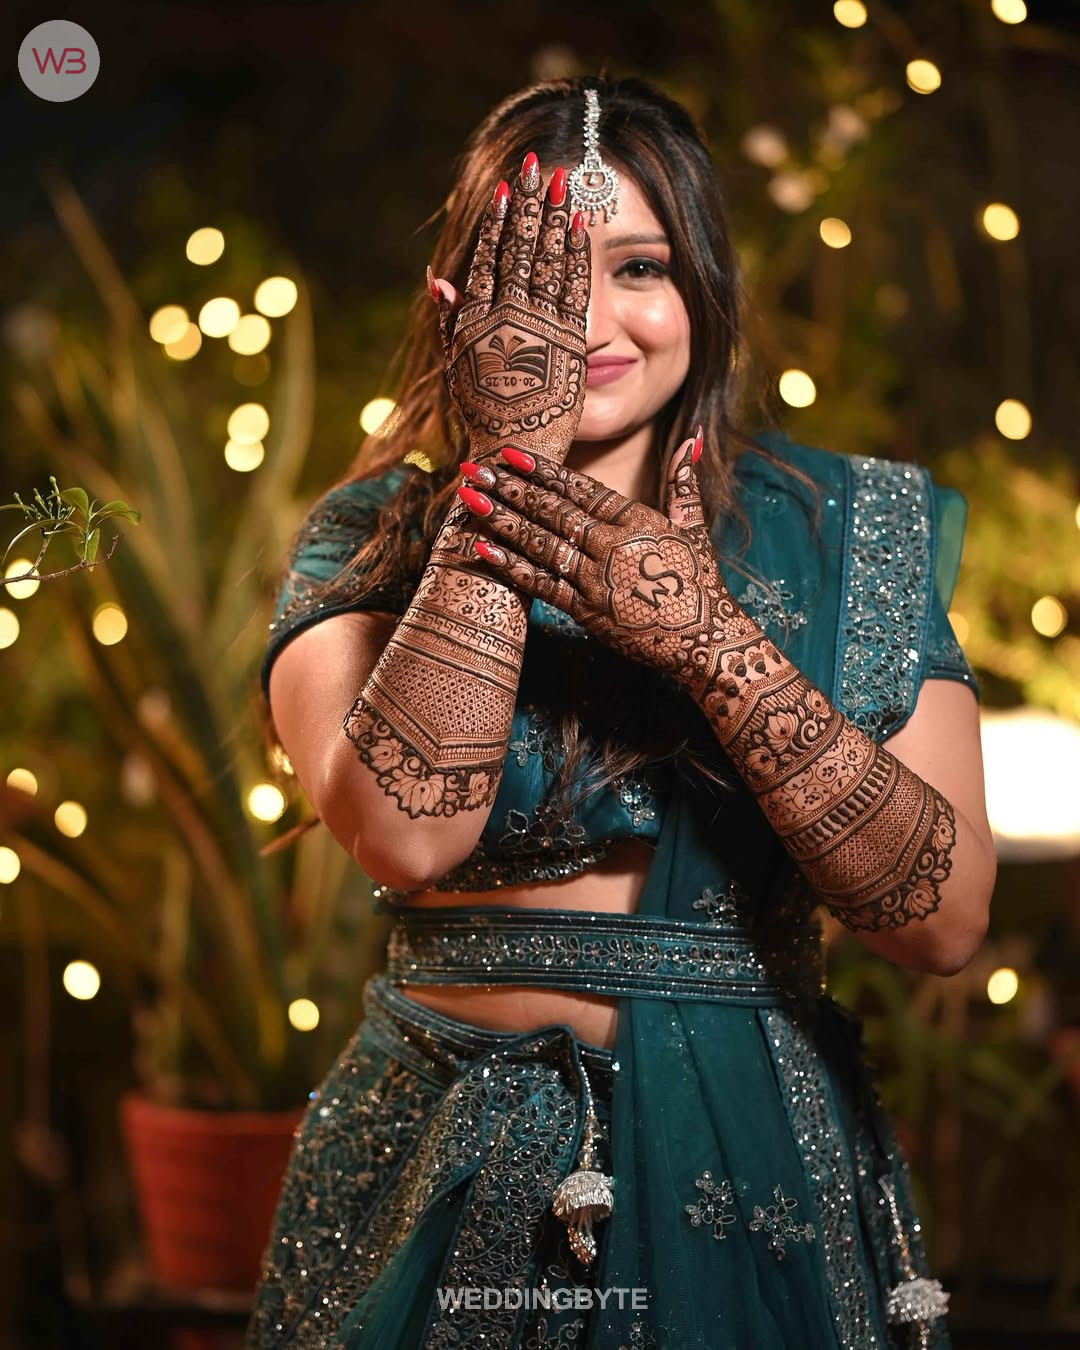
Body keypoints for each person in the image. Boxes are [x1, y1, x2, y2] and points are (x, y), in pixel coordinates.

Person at [248, 74, 995, 1350]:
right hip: (438, 1170)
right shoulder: (370, 539)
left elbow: (945, 921)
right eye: (538, 277)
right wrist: (507, 481)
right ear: (459, 301)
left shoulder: (843, 532)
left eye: (639, 268)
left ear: (705, 291)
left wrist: (708, 641)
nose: (588, 320)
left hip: (749, 1172)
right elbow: (407, 837)